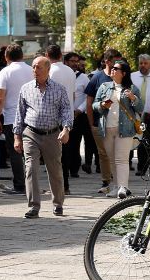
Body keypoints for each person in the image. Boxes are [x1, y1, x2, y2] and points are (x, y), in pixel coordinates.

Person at [14, 55, 72, 218]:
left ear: (48, 69)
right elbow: (19, 114)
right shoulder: (25, 88)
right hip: (30, 133)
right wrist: (17, 137)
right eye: (33, 67)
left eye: (38, 67)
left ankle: (58, 203)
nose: (35, 70)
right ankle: (34, 206)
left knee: (55, 170)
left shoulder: (59, 89)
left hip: (52, 134)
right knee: (31, 168)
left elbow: (66, 111)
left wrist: (66, 129)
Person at [93, 60, 142, 199]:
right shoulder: (104, 87)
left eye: (116, 68)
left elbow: (140, 108)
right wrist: (102, 105)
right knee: (111, 159)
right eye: (112, 68)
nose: (112, 70)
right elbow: (94, 105)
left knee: (122, 159)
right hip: (107, 127)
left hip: (125, 129)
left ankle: (123, 187)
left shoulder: (132, 88)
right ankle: (115, 186)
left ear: (124, 73)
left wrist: (133, 98)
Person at [0, 44, 30, 194]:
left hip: (11, 116)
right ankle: (31, 184)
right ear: (22, 55)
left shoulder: (5, 72)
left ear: (6, 57)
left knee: (15, 152)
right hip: (31, 116)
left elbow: (0, 98)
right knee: (30, 152)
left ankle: (20, 185)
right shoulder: (31, 69)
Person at [84, 49, 122, 189]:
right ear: (107, 61)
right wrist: (91, 123)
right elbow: (89, 101)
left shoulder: (122, 76)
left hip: (119, 122)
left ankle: (119, 180)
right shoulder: (97, 78)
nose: (119, 64)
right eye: (115, 61)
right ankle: (107, 180)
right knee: (104, 153)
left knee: (118, 152)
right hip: (100, 123)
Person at [45, 44, 77, 194]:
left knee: (55, 155)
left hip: (54, 117)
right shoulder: (70, 71)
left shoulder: (50, 71)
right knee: (65, 152)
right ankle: (65, 185)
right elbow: (74, 94)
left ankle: (60, 186)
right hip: (68, 116)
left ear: (47, 55)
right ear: (60, 56)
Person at [69, 52, 97, 175]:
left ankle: (76, 168)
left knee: (77, 141)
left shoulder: (83, 78)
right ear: (65, 62)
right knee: (69, 143)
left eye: (76, 61)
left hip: (80, 115)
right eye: (72, 61)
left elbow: (89, 97)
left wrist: (80, 109)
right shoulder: (60, 74)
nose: (75, 64)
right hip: (65, 114)